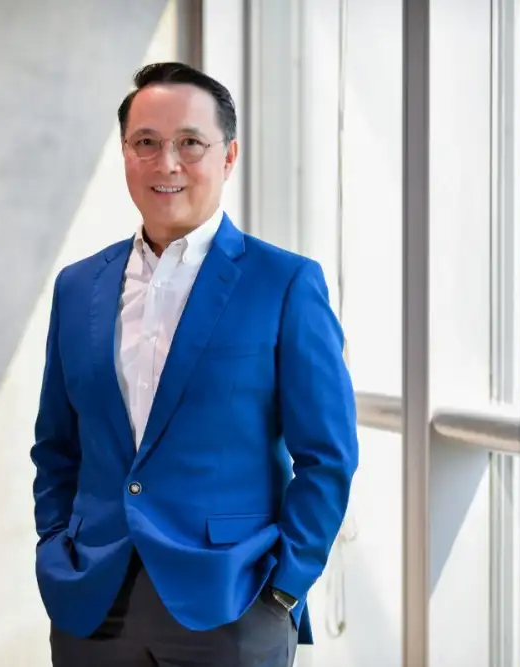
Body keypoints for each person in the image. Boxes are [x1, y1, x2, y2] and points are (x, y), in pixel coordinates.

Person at [31, 61, 359, 667]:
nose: (167, 163)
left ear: (228, 156)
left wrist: (284, 589)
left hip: (232, 602)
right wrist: (55, 546)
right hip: (92, 602)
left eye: (190, 143)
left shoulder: (284, 283)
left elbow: (328, 455)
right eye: (146, 143)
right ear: (125, 154)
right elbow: (57, 445)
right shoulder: (77, 288)